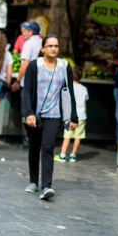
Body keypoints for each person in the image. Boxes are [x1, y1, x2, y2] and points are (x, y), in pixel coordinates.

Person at [22, 36, 78, 201]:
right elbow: (27, 91)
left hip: (54, 114)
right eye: (50, 46)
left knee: (47, 148)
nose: (54, 49)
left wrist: (72, 116)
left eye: (56, 46)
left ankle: (47, 186)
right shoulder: (34, 65)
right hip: (35, 115)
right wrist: (28, 113)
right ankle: (33, 181)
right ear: (43, 49)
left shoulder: (64, 66)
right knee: (34, 147)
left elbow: (69, 92)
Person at [55, 68, 88, 163]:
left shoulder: (68, 87)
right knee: (78, 137)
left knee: (67, 136)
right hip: (82, 116)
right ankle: (73, 155)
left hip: (70, 116)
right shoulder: (84, 88)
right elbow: (85, 102)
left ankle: (62, 155)